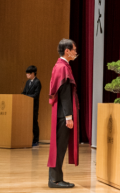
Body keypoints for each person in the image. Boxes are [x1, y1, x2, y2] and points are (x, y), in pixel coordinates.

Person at [47, 39, 79, 189]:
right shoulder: (63, 67)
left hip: (60, 113)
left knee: (60, 148)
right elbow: (65, 94)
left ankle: (56, 178)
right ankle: (55, 180)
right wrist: (68, 117)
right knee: (59, 148)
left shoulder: (61, 66)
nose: (75, 52)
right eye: (74, 49)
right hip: (62, 114)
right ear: (67, 51)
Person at [22, 65, 42, 147]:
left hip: (33, 107)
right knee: (26, 123)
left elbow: (36, 95)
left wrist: (26, 97)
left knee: (34, 123)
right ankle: (26, 139)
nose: (26, 75)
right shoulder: (27, 82)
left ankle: (36, 140)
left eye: (28, 73)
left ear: (33, 73)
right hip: (26, 106)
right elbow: (23, 92)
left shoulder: (37, 82)